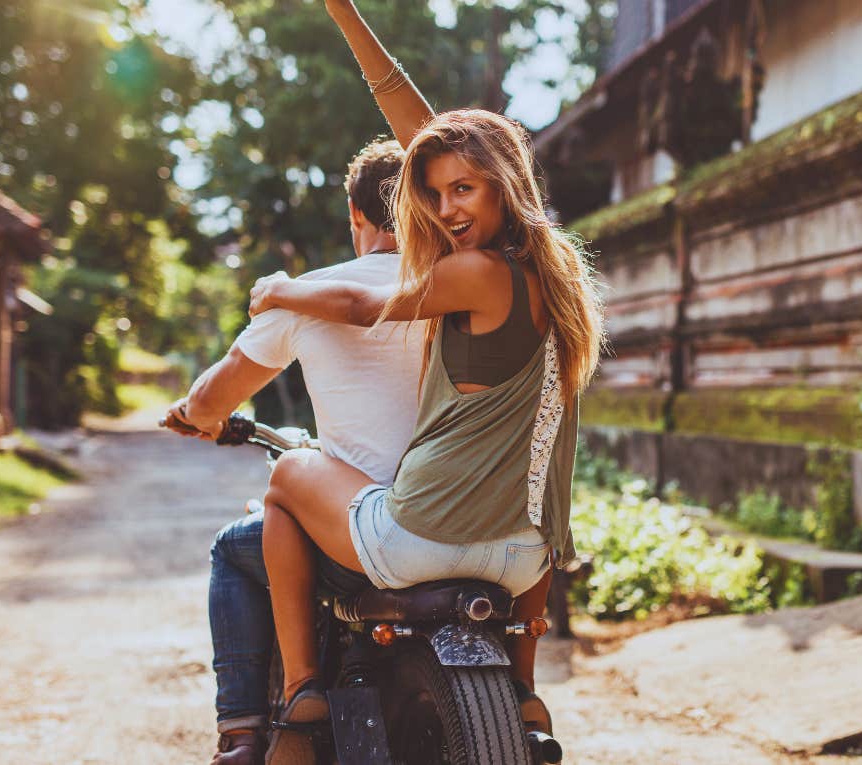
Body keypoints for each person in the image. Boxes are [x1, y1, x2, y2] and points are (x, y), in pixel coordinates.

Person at [246, 107, 604, 765]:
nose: (444, 208)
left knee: (286, 477)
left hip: (421, 539)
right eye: (433, 194)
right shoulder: (566, 282)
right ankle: (522, 686)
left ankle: (300, 694)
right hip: (526, 558)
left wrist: (282, 290)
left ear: (504, 183)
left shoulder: (480, 272)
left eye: (463, 188)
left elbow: (361, 307)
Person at [163, 139, 421, 765]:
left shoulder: (308, 294)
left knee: (234, 547)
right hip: (457, 515)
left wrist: (195, 417)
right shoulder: (454, 292)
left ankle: (244, 733)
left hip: (361, 537)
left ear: (356, 218)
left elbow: (215, 392)